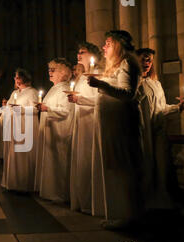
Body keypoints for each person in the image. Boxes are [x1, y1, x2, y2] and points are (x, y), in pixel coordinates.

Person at [88, 30, 144, 229]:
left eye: (108, 43)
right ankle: (119, 212)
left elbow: (128, 93)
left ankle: (128, 215)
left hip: (121, 124)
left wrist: (100, 84)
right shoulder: (116, 66)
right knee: (114, 166)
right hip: (112, 124)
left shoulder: (127, 63)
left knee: (123, 166)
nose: (104, 47)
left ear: (119, 45)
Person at [136, 48, 184, 210]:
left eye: (150, 60)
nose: (147, 63)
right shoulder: (133, 83)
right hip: (142, 132)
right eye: (143, 59)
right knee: (145, 167)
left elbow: (161, 109)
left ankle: (166, 200)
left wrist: (178, 107)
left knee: (163, 167)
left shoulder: (156, 83)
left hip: (158, 132)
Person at [68, 42, 103, 214]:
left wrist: (80, 100)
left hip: (92, 124)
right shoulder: (81, 78)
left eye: (82, 52)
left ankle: (92, 202)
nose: (78, 55)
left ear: (93, 55)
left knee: (90, 160)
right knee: (81, 161)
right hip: (81, 122)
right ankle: (82, 200)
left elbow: (101, 101)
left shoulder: (98, 75)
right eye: (78, 52)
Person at [35, 59, 75, 202]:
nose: (50, 72)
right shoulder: (54, 89)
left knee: (59, 162)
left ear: (63, 73)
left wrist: (47, 109)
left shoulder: (65, 89)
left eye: (54, 69)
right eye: (49, 69)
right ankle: (50, 191)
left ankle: (60, 193)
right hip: (50, 131)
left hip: (60, 131)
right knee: (51, 162)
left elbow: (65, 111)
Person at [1, 68, 39, 192]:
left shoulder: (32, 92)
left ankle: (24, 184)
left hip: (26, 127)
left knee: (24, 156)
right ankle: (13, 183)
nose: (16, 80)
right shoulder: (14, 93)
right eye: (15, 77)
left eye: (18, 77)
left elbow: (35, 109)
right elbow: (9, 108)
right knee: (14, 155)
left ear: (25, 78)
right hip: (14, 128)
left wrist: (21, 109)